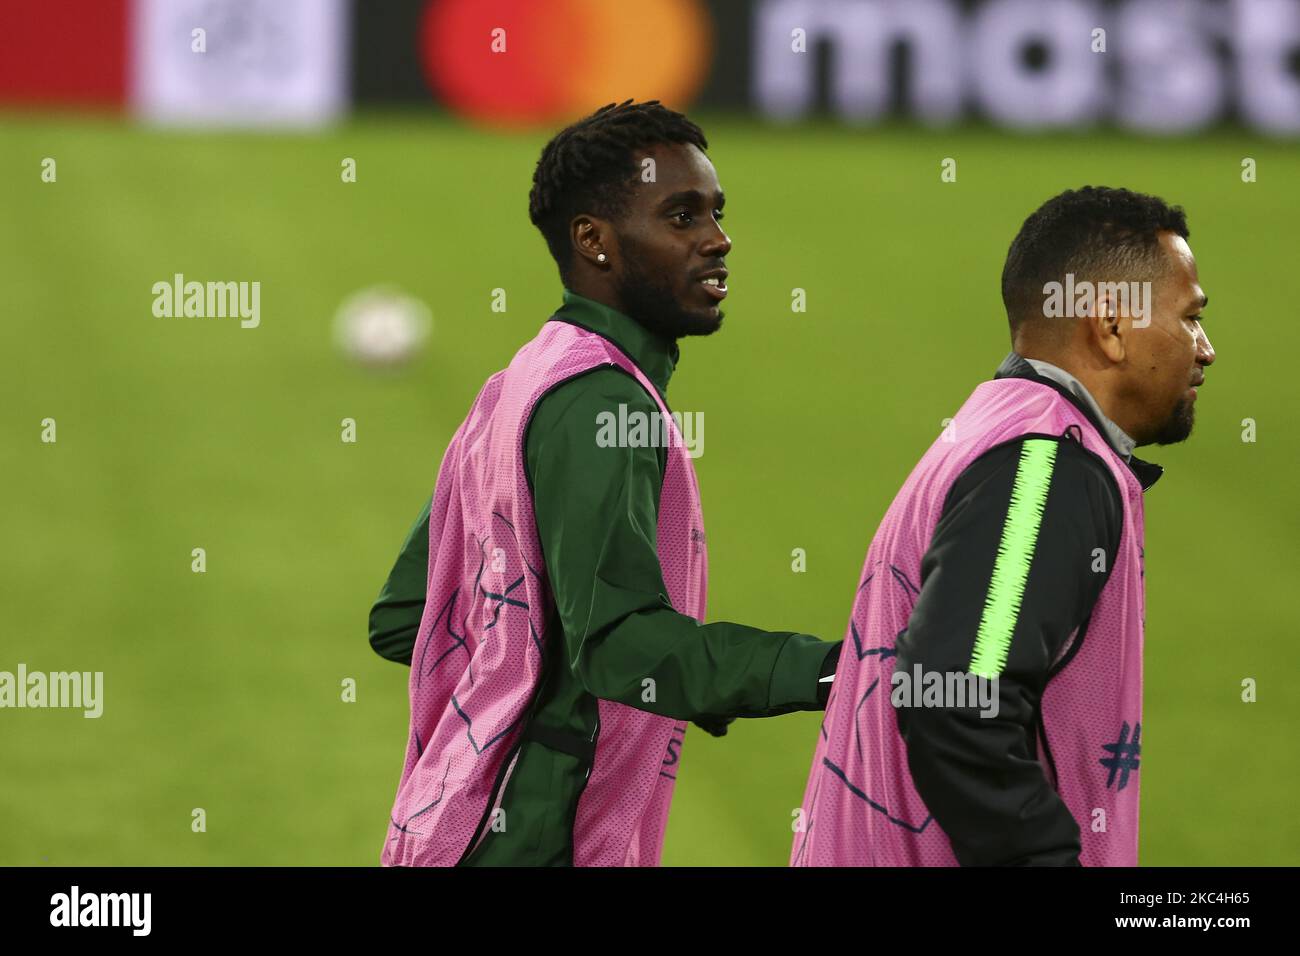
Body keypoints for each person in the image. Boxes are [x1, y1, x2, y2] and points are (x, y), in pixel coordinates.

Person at [373, 100, 841, 867]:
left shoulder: (520, 381)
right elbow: (623, 647)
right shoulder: (602, 404)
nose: (718, 241)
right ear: (594, 240)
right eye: (682, 217)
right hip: (536, 837)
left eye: (717, 214)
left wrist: (513, 674)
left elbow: (406, 615)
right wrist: (830, 668)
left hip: (448, 826)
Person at [792, 186, 1215, 866]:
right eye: (1190, 319)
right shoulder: (1045, 467)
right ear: (1109, 326)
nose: (1206, 349)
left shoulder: (996, 426)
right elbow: (958, 701)